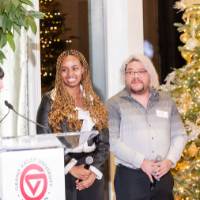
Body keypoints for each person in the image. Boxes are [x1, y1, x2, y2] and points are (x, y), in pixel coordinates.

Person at [106, 54, 187, 200]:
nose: (135, 76)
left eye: (141, 71)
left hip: (162, 175)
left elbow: (179, 135)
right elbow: (112, 140)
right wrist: (141, 162)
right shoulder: (114, 104)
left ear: (150, 74)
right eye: (130, 72)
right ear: (125, 76)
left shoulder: (166, 101)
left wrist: (169, 161)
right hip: (130, 179)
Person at [36, 49, 109, 200]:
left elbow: (104, 141)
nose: (70, 74)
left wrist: (93, 170)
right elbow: (44, 138)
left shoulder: (94, 99)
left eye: (75, 68)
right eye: (64, 69)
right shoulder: (49, 100)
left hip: (92, 170)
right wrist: (71, 167)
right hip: (62, 168)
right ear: (59, 73)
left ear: (83, 70)